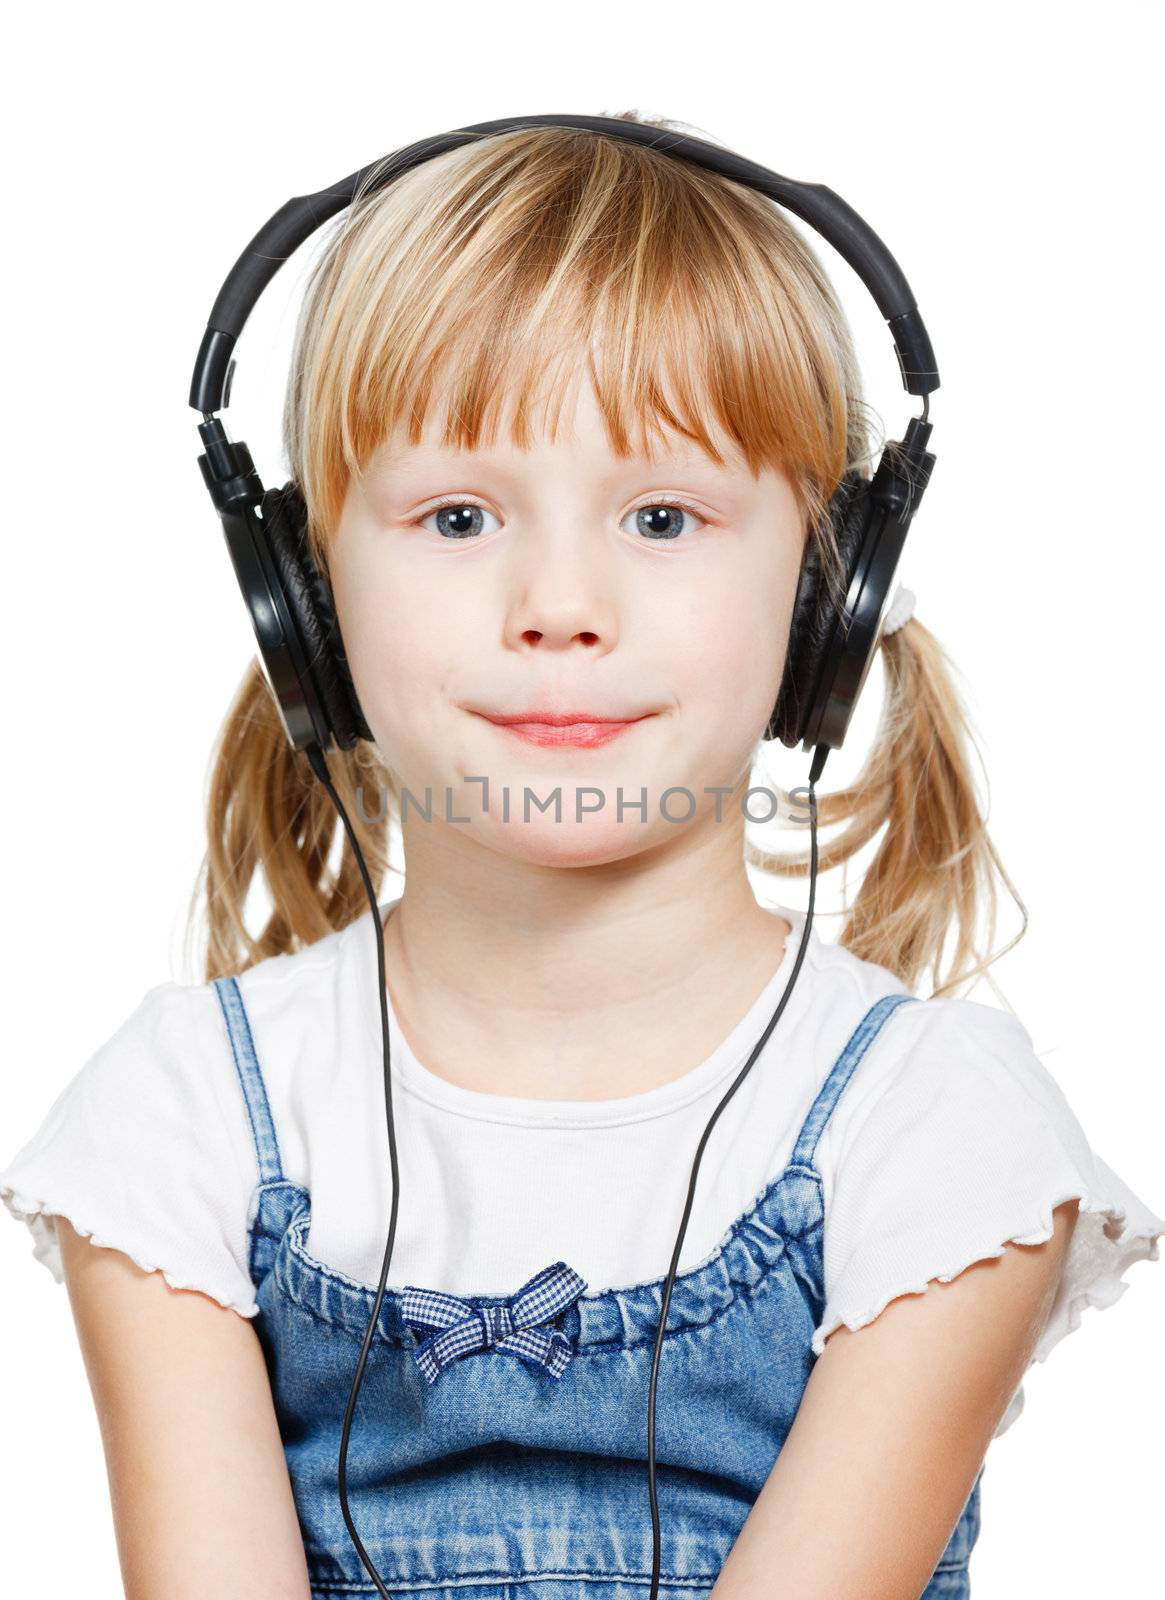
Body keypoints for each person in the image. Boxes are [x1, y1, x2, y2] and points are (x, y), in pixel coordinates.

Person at [2, 112, 1161, 1600]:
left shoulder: (929, 1131)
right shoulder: (185, 1118)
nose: (559, 603)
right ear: (304, 594)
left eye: (664, 515)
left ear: (825, 598)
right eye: (459, 514)